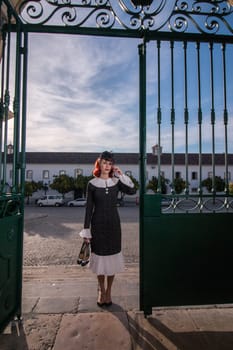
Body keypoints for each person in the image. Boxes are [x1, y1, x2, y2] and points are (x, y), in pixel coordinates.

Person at [79, 151, 136, 307]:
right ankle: (101, 291)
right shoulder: (91, 184)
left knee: (111, 260)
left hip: (113, 225)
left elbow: (132, 190)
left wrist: (121, 175)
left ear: (112, 166)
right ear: (99, 164)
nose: (107, 166)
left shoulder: (116, 182)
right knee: (100, 260)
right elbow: (88, 209)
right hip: (97, 225)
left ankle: (109, 291)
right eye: (104, 163)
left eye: (110, 163)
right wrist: (86, 230)